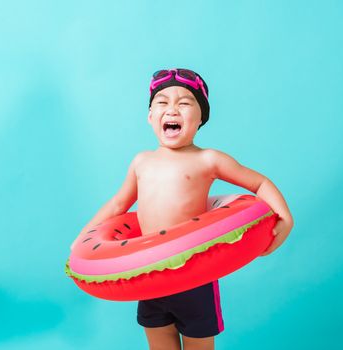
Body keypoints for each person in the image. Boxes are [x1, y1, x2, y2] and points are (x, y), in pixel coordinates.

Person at [72, 68, 294, 350]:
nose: (172, 110)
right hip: (149, 275)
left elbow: (259, 183)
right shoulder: (142, 162)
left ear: (201, 117)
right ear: (150, 116)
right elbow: (118, 204)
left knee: (198, 345)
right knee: (159, 342)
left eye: (185, 103)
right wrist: (83, 239)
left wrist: (285, 217)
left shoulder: (208, 159)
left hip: (194, 274)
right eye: (162, 103)